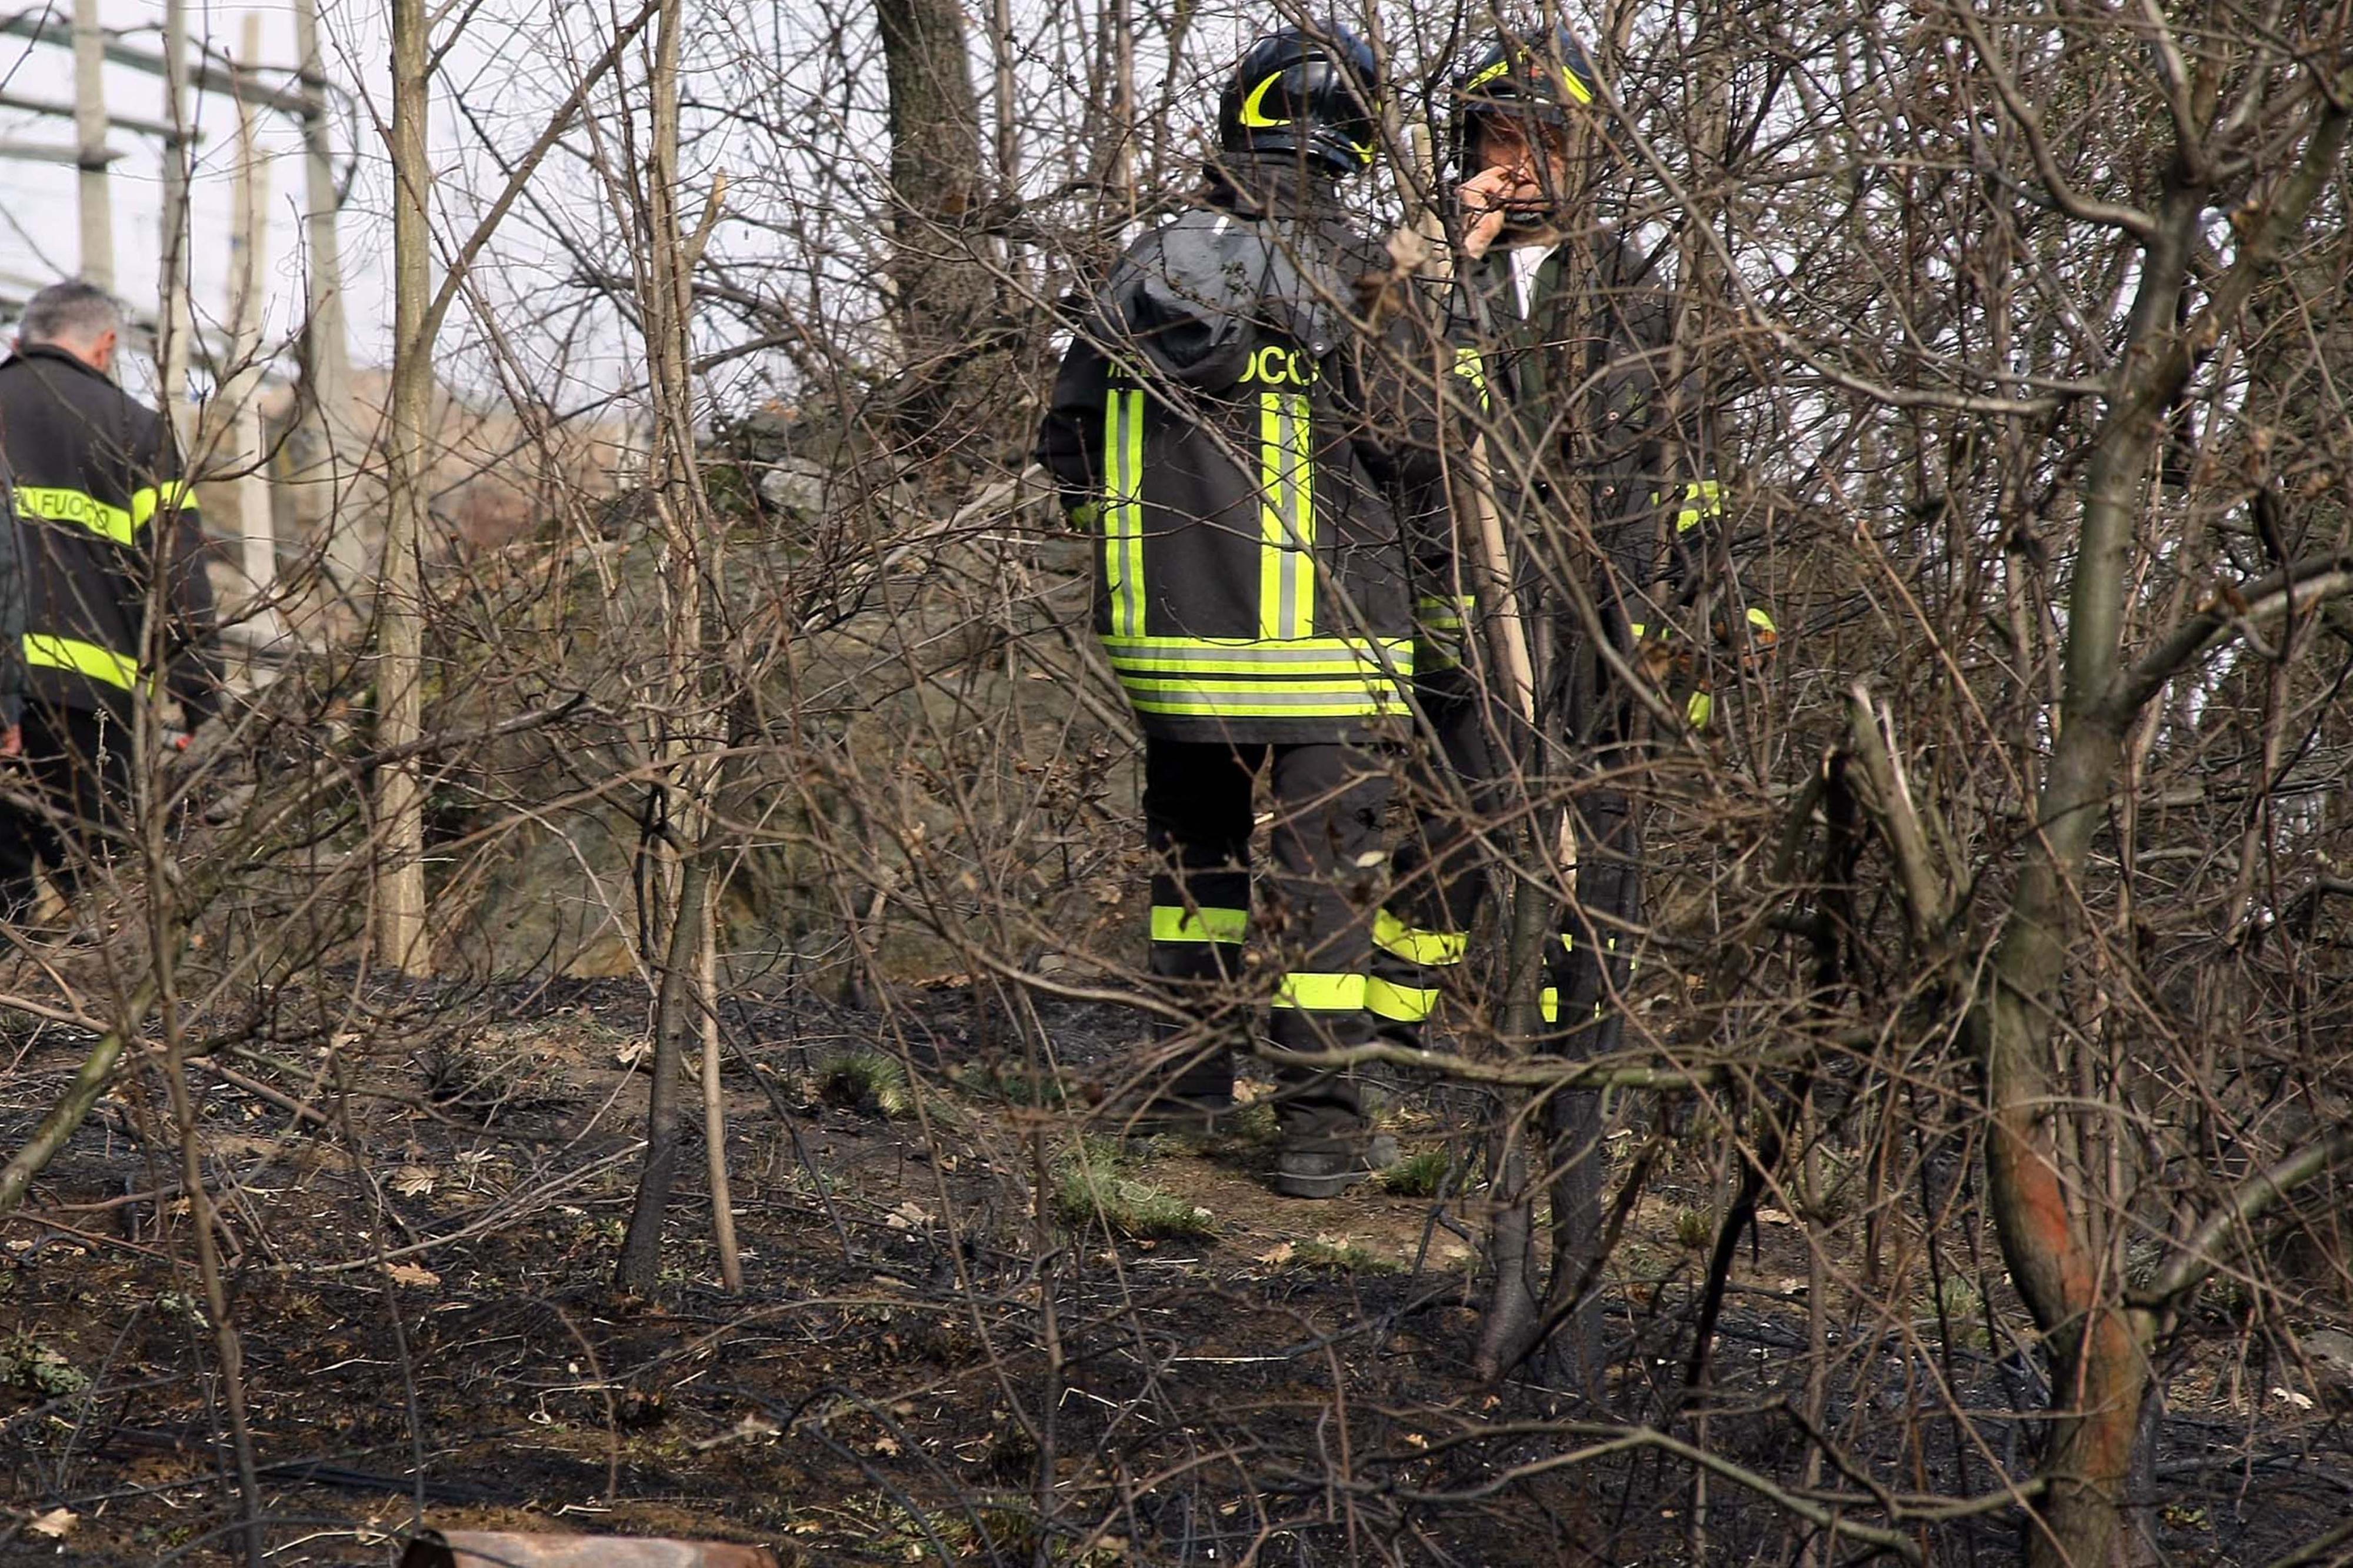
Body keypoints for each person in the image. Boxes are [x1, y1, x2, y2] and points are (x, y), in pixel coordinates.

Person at [1036, 22, 1425, 1197]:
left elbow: (1064, 435)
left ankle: (1185, 1083)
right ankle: (1317, 1128)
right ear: (1356, 141)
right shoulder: (1371, 280)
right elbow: (1421, 455)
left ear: (1233, 126)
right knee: (1325, 886)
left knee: (1193, 863)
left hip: (1174, 642)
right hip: (1335, 641)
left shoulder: (1143, 268)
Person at [0, 280, 222, 926]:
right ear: (106, 346)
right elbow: (179, 573)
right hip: (91, 708)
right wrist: (203, 700)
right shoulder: (138, 429)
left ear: (20, 341)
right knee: (105, 899)